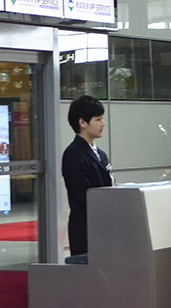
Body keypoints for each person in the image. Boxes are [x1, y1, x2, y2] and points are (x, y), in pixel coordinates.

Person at [61, 95, 113, 258]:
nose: (103, 124)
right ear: (83, 123)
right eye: (98, 119)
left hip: (105, 228)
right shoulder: (73, 154)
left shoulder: (101, 155)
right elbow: (84, 195)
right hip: (86, 230)